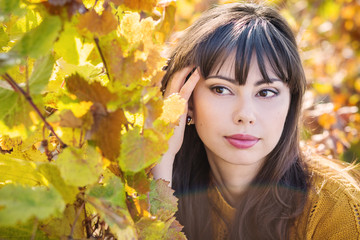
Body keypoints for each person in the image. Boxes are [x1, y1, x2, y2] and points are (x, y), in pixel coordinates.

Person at [152, 2, 360, 239]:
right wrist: (162, 162)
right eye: (221, 89)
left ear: (291, 102)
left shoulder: (333, 208)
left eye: (265, 92)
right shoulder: (139, 180)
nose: (245, 115)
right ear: (187, 99)